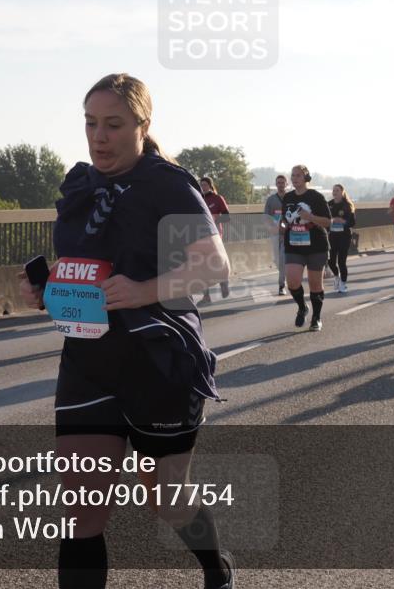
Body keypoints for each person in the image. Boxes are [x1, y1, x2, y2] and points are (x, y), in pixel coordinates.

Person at [20, 73, 234, 589]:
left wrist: (143, 291)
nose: (99, 136)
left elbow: (214, 266)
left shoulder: (167, 183)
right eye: (91, 123)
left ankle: (215, 567)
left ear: (142, 125)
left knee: (167, 500)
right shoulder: (80, 184)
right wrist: (50, 288)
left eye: (113, 124)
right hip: (89, 362)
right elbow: (86, 264)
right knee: (81, 511)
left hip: (159, 361)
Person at [282, 165, 331, 331]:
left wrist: (309, 217)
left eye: (298, 175)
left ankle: (316, 318)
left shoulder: (316, 197)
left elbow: (327, 221)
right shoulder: (288, 197)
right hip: (294, 245)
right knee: (293, 282)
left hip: (316, 245)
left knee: (315, 284)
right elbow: (285, 219)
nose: (294, 178)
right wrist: (282, 225)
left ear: (306, 178)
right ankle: (302, 307)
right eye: (293, 175)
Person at [198, 177, 231, 306]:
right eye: (201, 185)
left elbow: (227, 217)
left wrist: (214, 221)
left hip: (215, 235)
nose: (203, 187)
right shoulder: (198, 198)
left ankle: (224, 281)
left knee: (216, 261)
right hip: (199, 236)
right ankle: (206, 296)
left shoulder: (217, 199)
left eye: (205, 185)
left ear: (210, 186)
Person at [327, 184, 356, 293]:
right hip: (332, 236)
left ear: (342, 192)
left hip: (344, 237)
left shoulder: (347, 205)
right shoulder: (328, 204)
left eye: (337, 190)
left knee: (341, 262)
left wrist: (343, 221)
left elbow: (352, 222)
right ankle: (336, 276)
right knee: (330, 261)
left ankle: (343, 284)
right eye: (333, 190)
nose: (335, 192)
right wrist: (331, 221)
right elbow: (324, 219)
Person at [264, 175, 288, 295]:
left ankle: (281, 285)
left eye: (282, 182)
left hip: (289, 234)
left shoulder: (291, 198)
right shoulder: (271, 199)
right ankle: (284, 275)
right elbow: (266, 217)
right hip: (275, 232)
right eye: (278, 182)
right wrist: (270, 227)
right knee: (277, 260)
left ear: (286, 184)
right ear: (276, 184)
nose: (280, 184)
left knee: (283, 259)